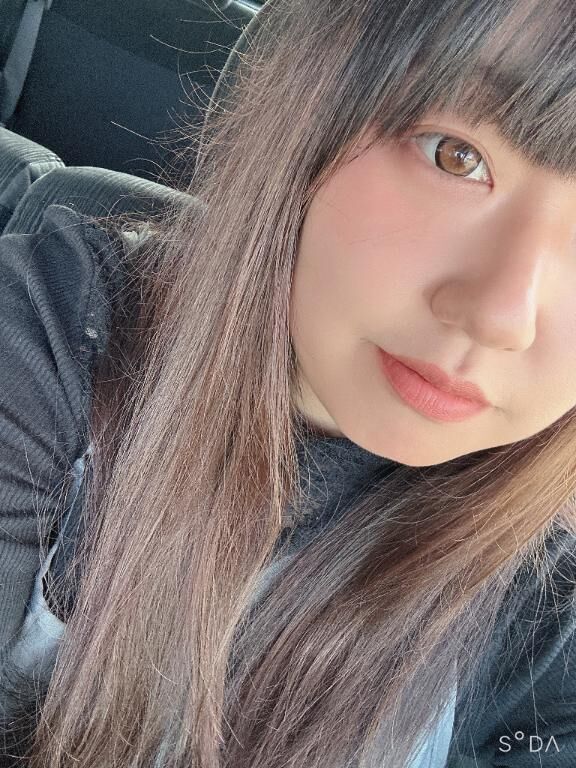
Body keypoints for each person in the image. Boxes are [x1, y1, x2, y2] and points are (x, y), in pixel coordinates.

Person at [0, 0, 575, 765]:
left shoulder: (551, 608)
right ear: (313, 121)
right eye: (454, 155)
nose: (501, 316)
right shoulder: (52, 328)